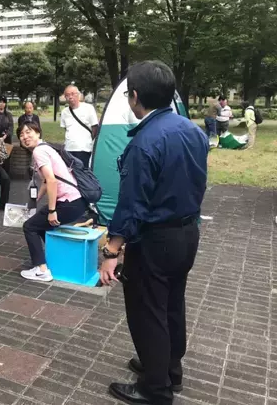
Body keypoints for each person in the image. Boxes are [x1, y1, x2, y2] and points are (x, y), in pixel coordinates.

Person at [98, 61, 208, 405]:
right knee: (172, 304)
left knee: (148, 312)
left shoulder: (144, 142)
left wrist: (111, 251)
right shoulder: (193, 132)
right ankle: (168, 371)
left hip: (156, 239)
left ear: (134, 97)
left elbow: (132, 205)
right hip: (187, 233)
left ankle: (155, 389)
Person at [18, 122, 87, 282]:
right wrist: (36, 199)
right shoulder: (47, 148)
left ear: (38, 133)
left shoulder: (39, 152)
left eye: (29, 132)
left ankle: (41, 270)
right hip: (77, 202)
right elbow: (45, 182)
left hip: (67, 202)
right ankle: (56, 260)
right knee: (41, 226)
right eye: (21, 134)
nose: (25, 137)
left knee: (29, 227)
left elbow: (52, 181)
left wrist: (51, 210)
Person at [60, 85, 99, 167]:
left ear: (78, 95)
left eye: (73, 94)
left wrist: (87, 140)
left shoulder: (88, 108)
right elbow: (66, 128)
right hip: (69, 149)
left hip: (84, 149)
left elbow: (95, 128)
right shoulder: (64, 112)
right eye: (67, 95)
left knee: (83, 175)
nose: (70, 97)